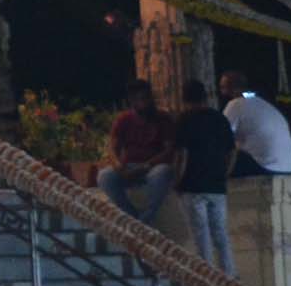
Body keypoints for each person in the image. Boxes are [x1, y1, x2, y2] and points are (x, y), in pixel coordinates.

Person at [172, 80, 237, 275]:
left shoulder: (184, 120)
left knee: (201, 235)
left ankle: (206, 279)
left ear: (185, 99)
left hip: (192, 185)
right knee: (220, 234)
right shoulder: (219, 118)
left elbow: (182, 155)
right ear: (205, 97)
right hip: (216, 185)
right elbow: (232, 152)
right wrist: (224, 174)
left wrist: (177, 180)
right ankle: (229, 275)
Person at [98, 79, 179, 225]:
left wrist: (146, 166)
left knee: (162, 173)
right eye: (140, 99)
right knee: (105, 176)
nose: (145, 102)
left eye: (147, 98)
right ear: (132, 100)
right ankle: (132, 218)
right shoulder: (124, 119)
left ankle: (146, 219)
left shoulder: (163, 118)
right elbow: (112, 147)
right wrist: (117, 166)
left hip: (153, 167)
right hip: (130, 166)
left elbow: (169, 150)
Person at [216, 68, 291, 177]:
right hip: (287, 167)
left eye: (223, 88)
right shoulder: (260, 103)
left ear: (232, 89)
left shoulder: (235, 104)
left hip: (265, 166)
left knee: (222, 152)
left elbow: (221, 136)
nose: (221, 92)